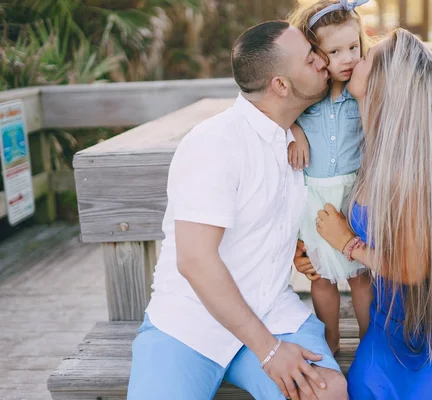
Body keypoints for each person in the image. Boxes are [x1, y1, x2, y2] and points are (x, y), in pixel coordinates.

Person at [127, 21, 348, 400]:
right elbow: (195, 261)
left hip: (272, 313)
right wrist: (270, 350)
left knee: (326, 392)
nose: (323, 62)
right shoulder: (215, 143)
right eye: (311, 59)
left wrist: (301, 246)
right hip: (190, 321)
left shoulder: (295, 134)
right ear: (280, 85)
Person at [297, 29, 432, 399]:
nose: (354, 59)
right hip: (392, 316)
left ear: (383, 83)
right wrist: (312, 251)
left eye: (366, 56)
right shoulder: (363, 143)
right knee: (364, 389)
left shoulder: (408, 168)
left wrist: (346, 243)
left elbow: (412, 269)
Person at [285, 0, 373, 355]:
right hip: (315, 198)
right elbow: (270, 110)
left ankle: (371, 339)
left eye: (354, 47)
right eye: (335, 51)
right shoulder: (305, 97)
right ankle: (331, 339)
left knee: (360, 274)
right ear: (314, 55)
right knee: (320, 276)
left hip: (353, 194)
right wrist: (296, 130)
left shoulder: (361, 93)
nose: (348, 57)